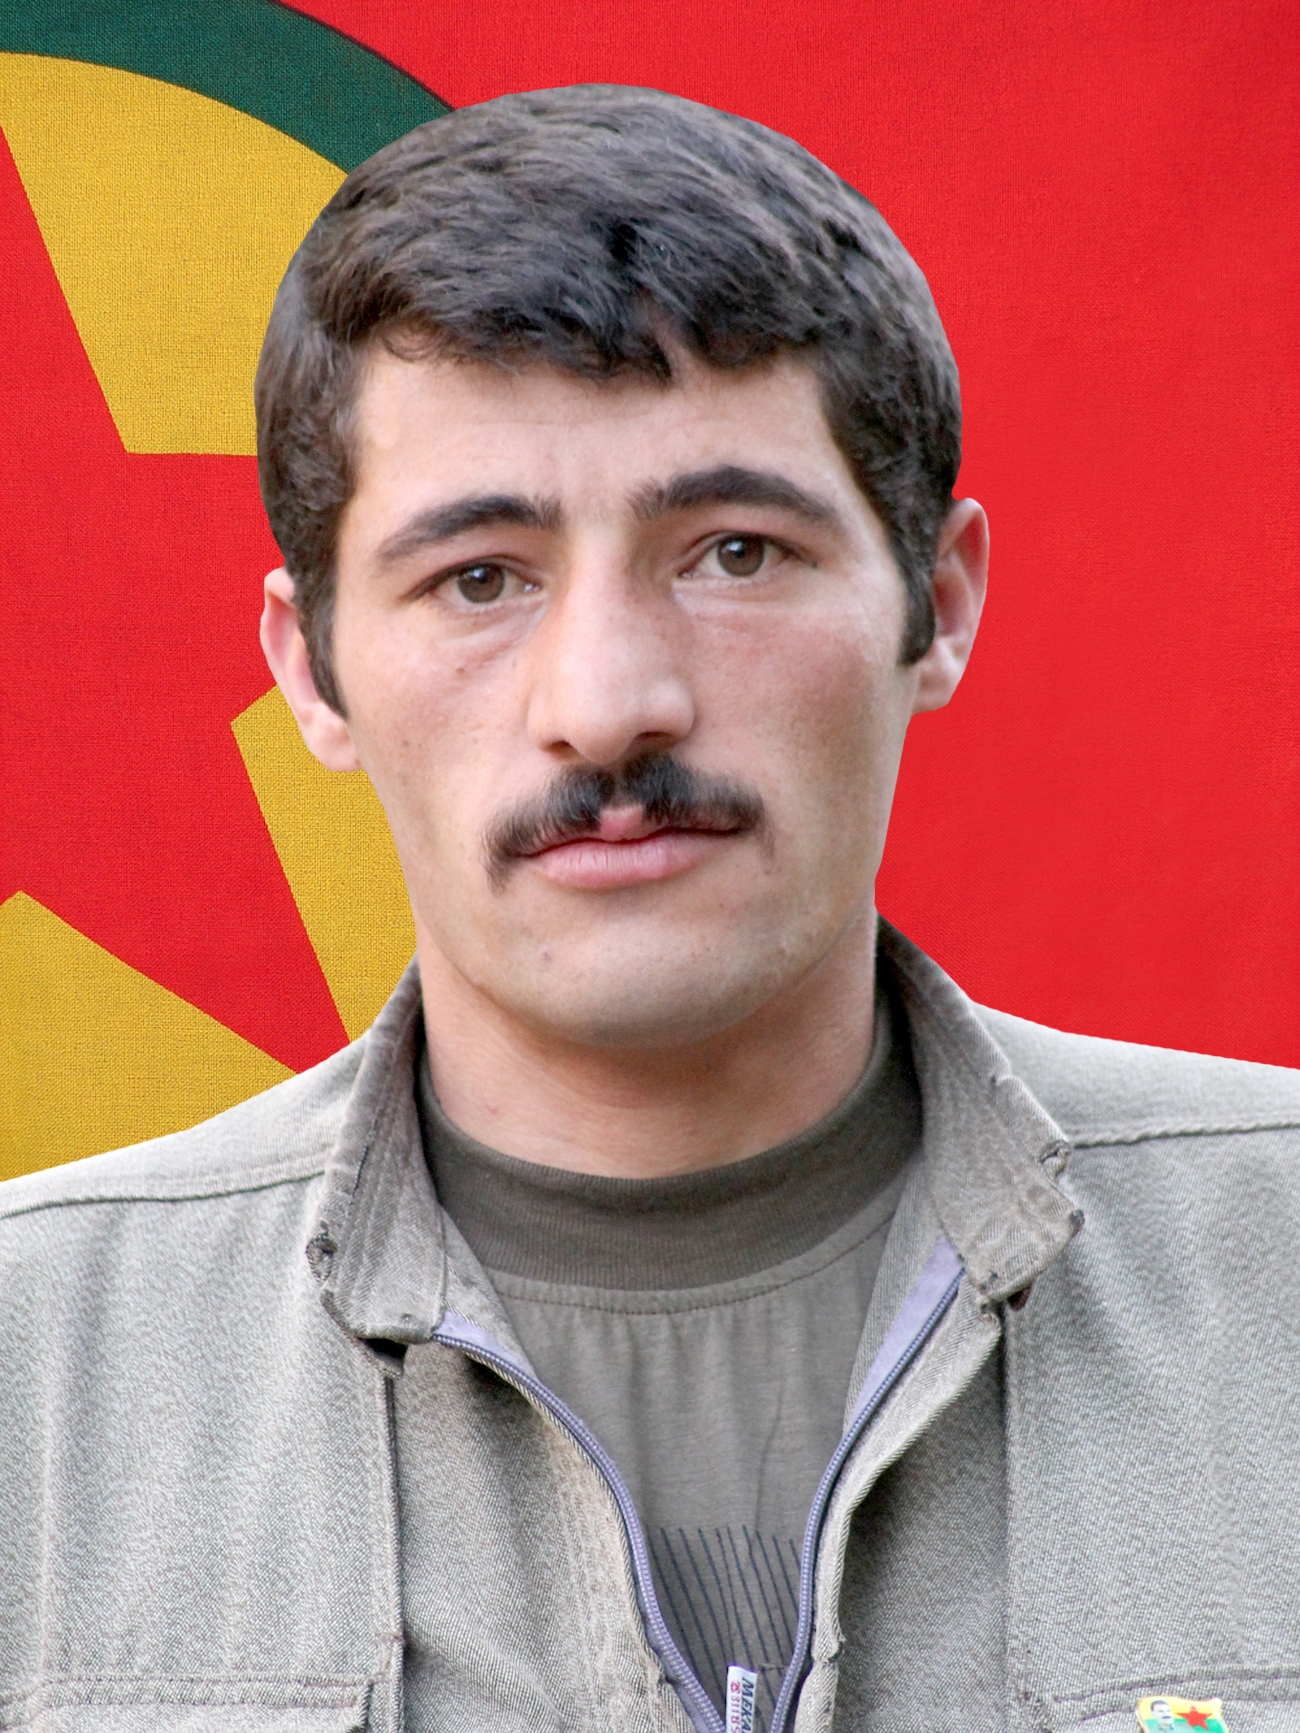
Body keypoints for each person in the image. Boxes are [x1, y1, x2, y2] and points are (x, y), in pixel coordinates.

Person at [1, 84, 1297, 1733]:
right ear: (313, 671)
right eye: (479, 577)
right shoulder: (30, 1378)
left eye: (734, 552)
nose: (608, 704)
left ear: (939, 600)